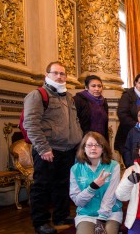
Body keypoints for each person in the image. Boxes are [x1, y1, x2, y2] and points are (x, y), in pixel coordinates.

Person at [23, 61, 83, 234]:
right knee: (42, 186)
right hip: (48, 150)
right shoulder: (37, 95)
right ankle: (40, 222)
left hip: (67, 150)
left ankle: (61, 215)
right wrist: (43, 148)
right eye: (55, 73)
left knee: (62, 185)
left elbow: (75, 122)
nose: (59, 76)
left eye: (62, 74)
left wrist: (77, 143)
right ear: (47, 75)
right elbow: (31, 124)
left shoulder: (68, 97)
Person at [69, 132, 122, 234]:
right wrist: (93, 187)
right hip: (86, 214)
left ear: (103, 149)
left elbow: (111, 195)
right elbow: (78, 201)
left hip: (111, 213)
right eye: (89, 145)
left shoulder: (114, 166)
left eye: (97, 145)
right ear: (84, 148)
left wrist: (101, 219)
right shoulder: (75, 169)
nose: (93, 148)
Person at [74, 75, 110, 140]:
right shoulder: (78, 100)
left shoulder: (103, 102)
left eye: (99, 86)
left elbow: (105, 126)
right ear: (86, 87)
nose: (97, 89)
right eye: (93, 86)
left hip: (101, 139)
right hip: (84, 140)